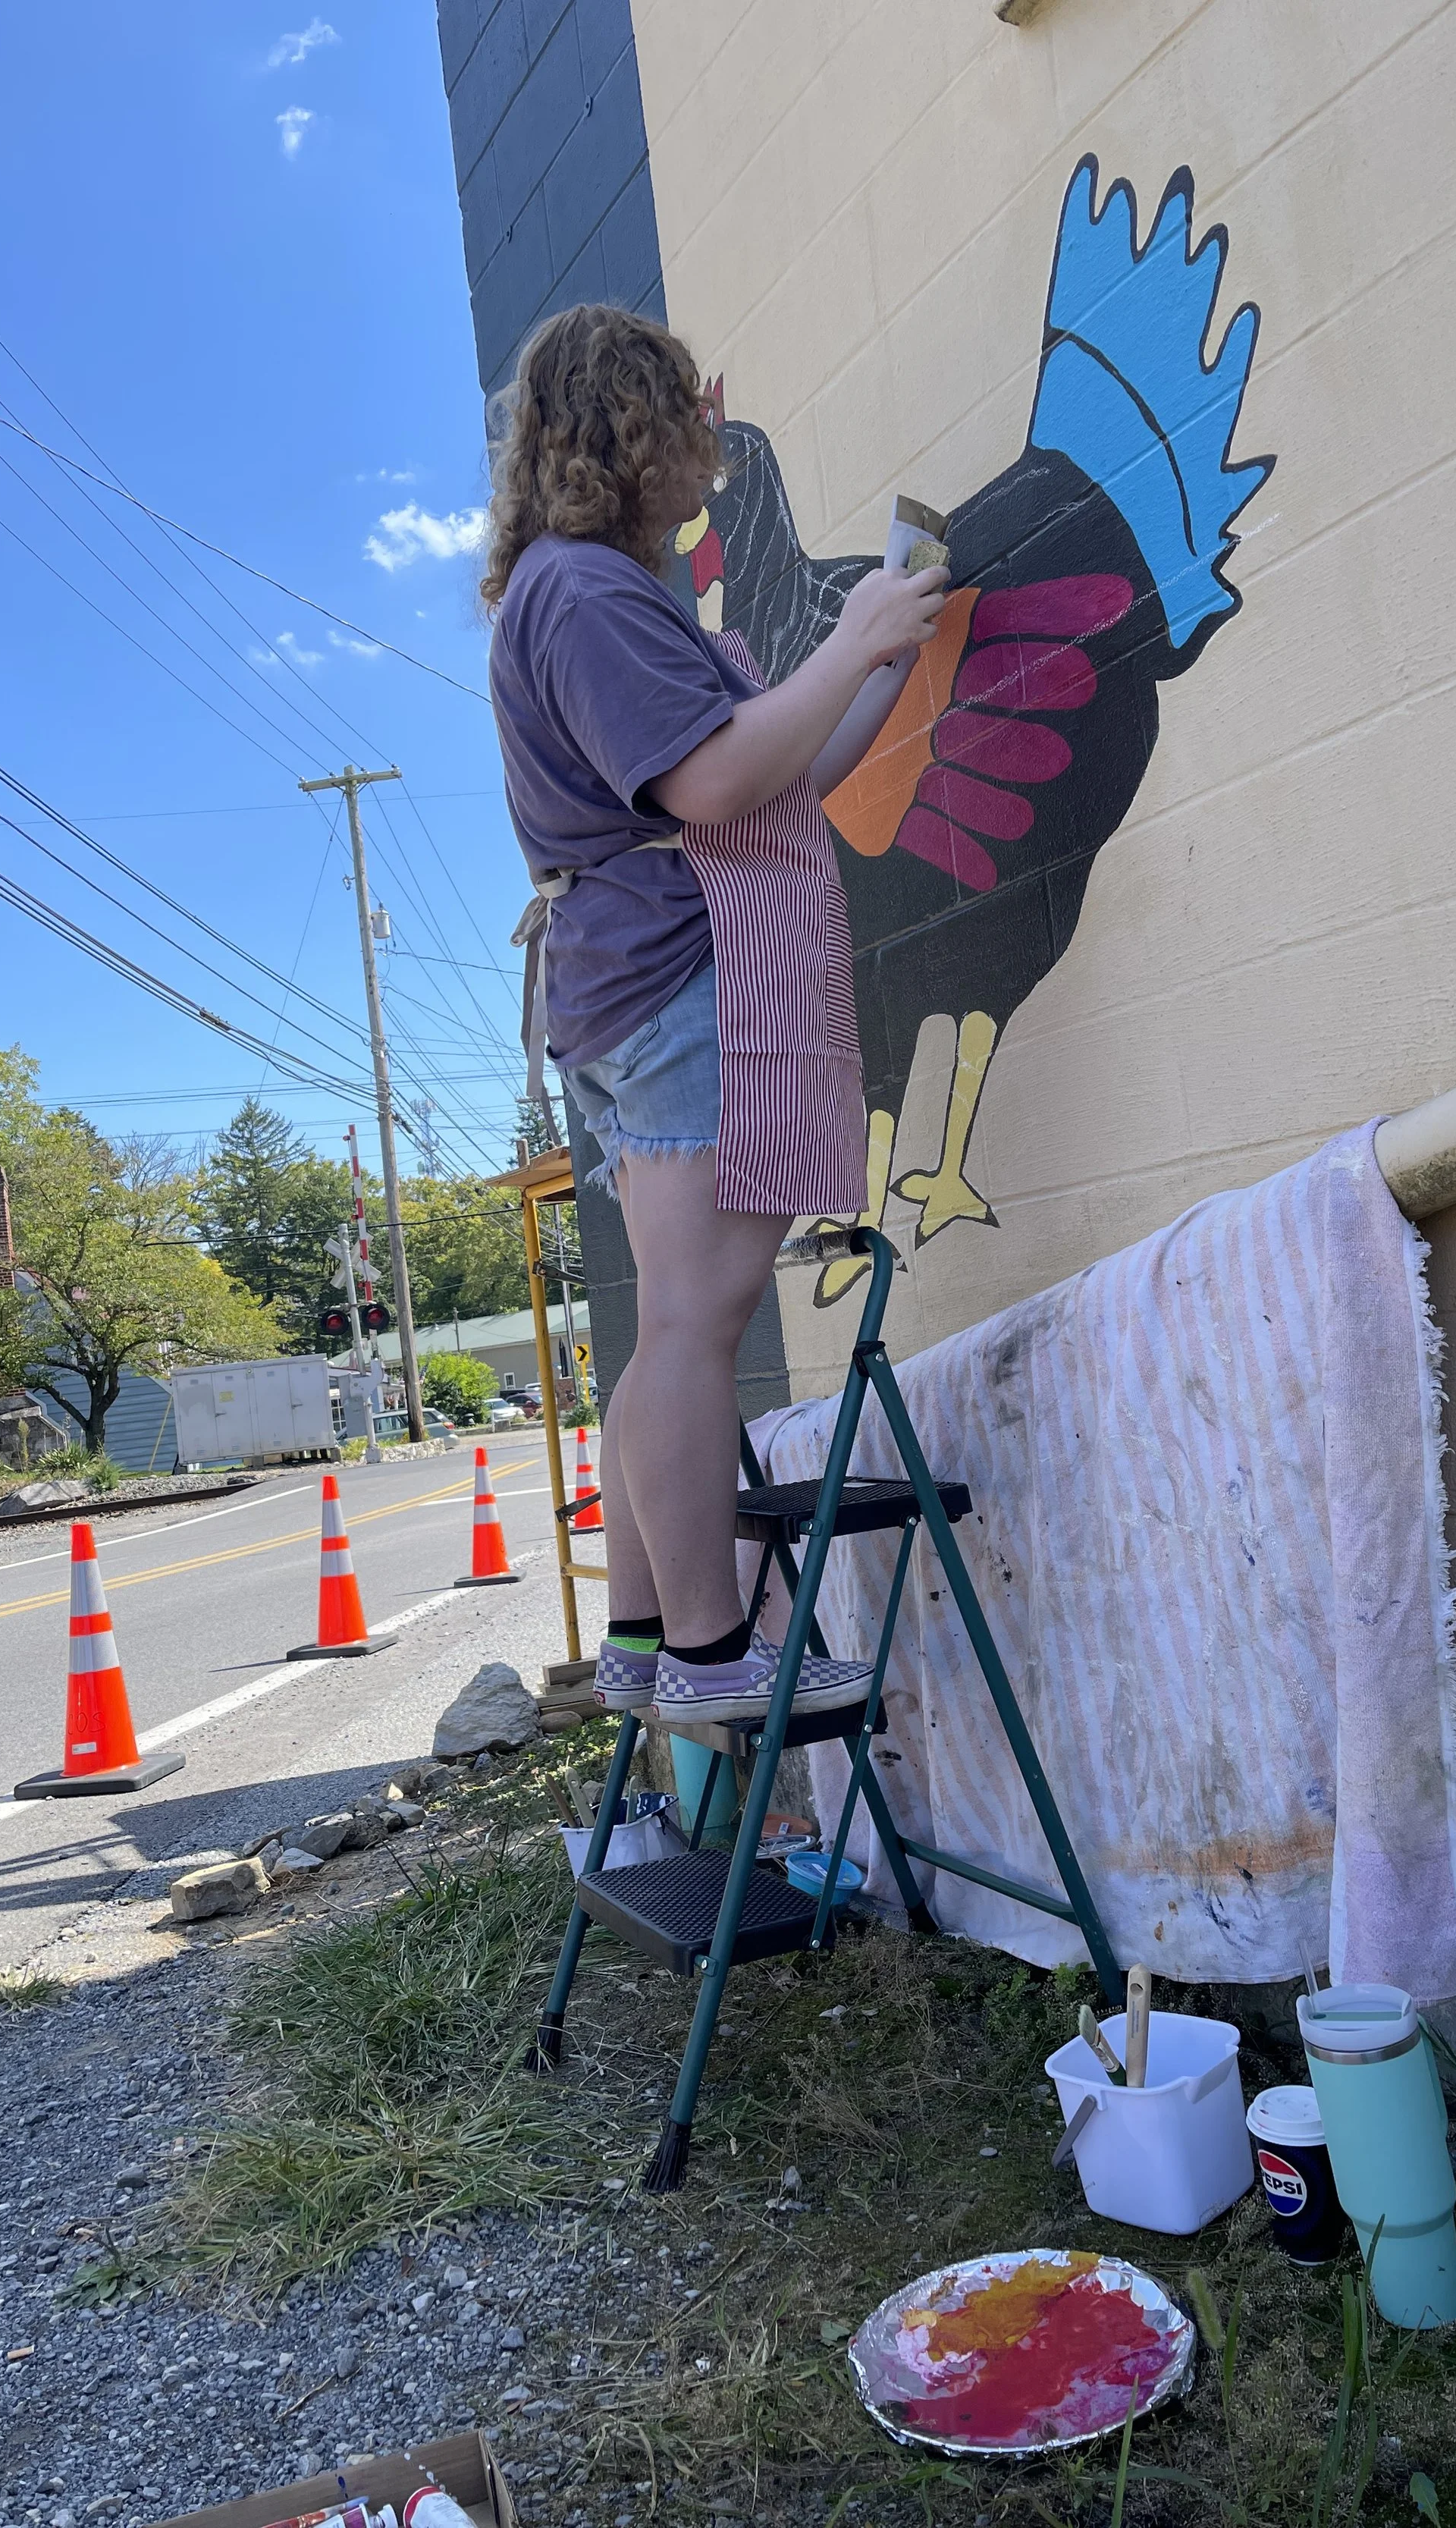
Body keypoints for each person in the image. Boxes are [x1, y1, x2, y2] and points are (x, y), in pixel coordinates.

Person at [485, 304, 946, 1725]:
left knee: (671, 1330)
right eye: (690, 415)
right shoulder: (590, 596)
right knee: (697, 1326)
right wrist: (852, 634)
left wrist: (884, 652)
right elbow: (715, 789)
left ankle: (643, 1637)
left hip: (639, 988)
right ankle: (704, 1653)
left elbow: (776, 764)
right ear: (630, 429)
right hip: (684, 983)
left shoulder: (581, 594)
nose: (710, 442)